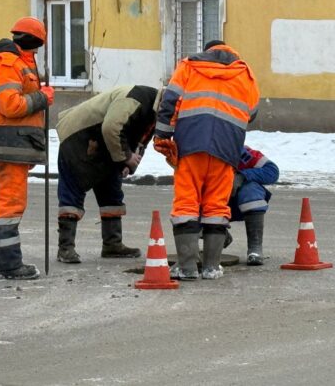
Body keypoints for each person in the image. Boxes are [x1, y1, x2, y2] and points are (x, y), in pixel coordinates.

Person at [154, 40, 259, 280]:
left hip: (190, 144)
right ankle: (211, 267)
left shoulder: (189, 66)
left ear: (207, 52)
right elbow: (252, 113)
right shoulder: (245, 73)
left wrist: (162, 135)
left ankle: (187, 267)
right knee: (216, 205)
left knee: (186, 202)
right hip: (226, 148)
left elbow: (170, 101)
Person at [0, 17, 54, 280]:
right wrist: (42, 97)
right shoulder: (9, 64)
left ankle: (5, 262)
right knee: (10, 204)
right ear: (35, 42)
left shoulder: (16, 62)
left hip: (11, 143)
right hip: (8, 143)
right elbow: (11, 106)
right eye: (38, 44)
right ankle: (9, 266)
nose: (38, 50)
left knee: (9, 203)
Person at [55, 85, 161, 263]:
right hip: (79, 136)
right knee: (73, 188)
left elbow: (141, 139)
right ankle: (65, 248)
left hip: (105, 142)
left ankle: (112, 244)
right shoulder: (136, 99)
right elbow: (111, 128)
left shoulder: (155, 113)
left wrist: (127, 162)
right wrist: (126, 157)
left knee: (111, 190)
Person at [227, 145, 279, 266]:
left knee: (251, 190)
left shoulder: (241, 152)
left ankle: (255, 248)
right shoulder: (200, 153)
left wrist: (242, 176)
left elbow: (272, 172)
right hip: (212, 203)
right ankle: (216, 237)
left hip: (238, 202)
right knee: (190, 198)